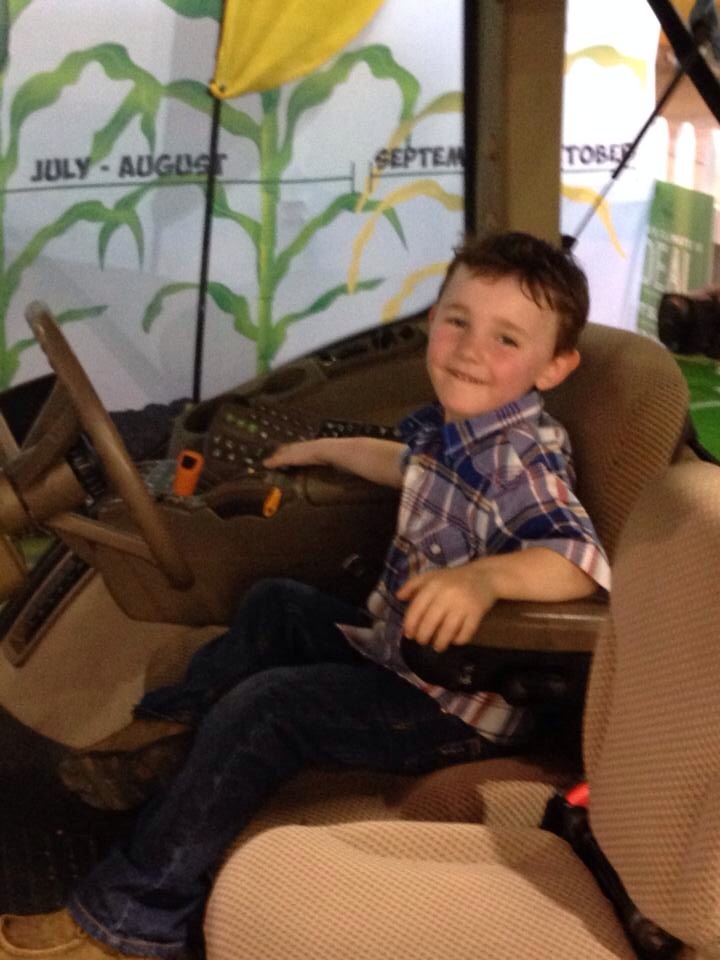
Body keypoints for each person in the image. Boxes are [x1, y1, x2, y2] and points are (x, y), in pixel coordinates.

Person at [0, 232, 610, 960]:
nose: (470, 349)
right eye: (457, 320)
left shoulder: (522, 459)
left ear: (555, 366)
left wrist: (484, 580)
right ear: (433, 320)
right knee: (277, 604)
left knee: (268, 708)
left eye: (505, 338)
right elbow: (410, 466)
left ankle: (130, 918)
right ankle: (164, 740)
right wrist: (326, 450)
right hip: (396, 650)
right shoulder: (464, 431)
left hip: (449, 704)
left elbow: (577, 559)